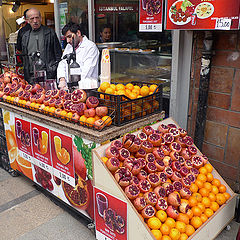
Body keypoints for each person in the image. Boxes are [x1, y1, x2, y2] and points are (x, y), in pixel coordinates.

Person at [20, 8, 62, 83]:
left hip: (48, 75)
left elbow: (58, 55)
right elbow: (24, 57)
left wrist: (54, 69)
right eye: (32, 19)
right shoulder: (25, 36)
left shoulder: (49, 33)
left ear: (41, 18)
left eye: (37, 18)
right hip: (31, 77)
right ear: (27, 21)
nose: (35, 21)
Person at [57, 22, 99, 90]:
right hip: (69, 88)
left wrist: (70, 84)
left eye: (69, 37)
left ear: (78, 33)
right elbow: (62, 64)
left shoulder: (90, 47)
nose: (67, 41)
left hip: (87, 88)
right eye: (66, 38)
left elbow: (86, 72)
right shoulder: (69, 46)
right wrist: (62, 79)